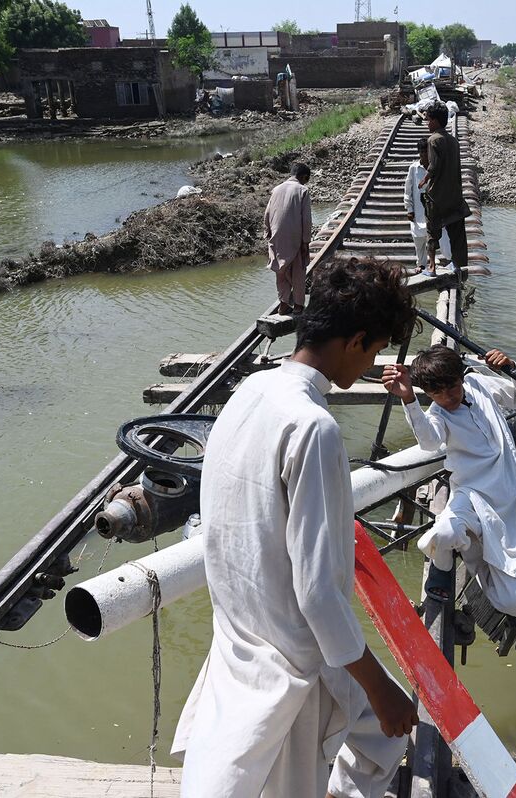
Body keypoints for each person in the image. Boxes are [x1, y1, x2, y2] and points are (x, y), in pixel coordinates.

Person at [173, 257, 420, 798]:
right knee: (350, 748)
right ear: (355, 340)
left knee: (377, 742)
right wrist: (380, 690)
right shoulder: (314, 428)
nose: (371, 364)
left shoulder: (251, 391)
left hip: (238, 634)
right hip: (293, 659)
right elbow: (319, 594)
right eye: (375, 350)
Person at [381, 345, 516, 619]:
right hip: (471, 493)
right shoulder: (437, 414)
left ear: (462, 377)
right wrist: (408, 398)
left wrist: (511, 368)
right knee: (442, 534)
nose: (447, 397)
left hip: (510, 495)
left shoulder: (479, 384)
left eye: (452, 387)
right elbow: (430, 442)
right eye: (436, 393)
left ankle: (474, 546)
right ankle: (441, 571)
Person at [418, 103, 469, 276]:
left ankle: (431, 268)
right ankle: (457, 266)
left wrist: (425, 178)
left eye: (429, 120)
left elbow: (434, 166)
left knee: (432, 232)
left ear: (435, 121)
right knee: (457, 233)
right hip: (454, 195)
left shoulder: (433, 140)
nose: (427, 123)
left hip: (437, 196)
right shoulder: (453, 141)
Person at [264, 162, 313, 315]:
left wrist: (268, 234)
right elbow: (306, 219)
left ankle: (283, 304)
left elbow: (267, 214)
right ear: (303, 177)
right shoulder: (302, 190)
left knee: (280, 271)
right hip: (295, 236)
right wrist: (306, 241)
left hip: (276, 235)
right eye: (306, 179)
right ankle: (298, 306)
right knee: (298, 271)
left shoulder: (276, 189)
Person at [404, 138, 452, 276]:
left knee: (442, 236)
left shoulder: (435, 168)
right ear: (418, 153)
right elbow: (408, 189)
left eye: (426, 152)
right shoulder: (413, 168)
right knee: (418, 238)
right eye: (421, 152)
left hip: (435, 210)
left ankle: (449, 260)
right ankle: (421, 264)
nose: (424, 154)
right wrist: (409, 209)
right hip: (419, 211)